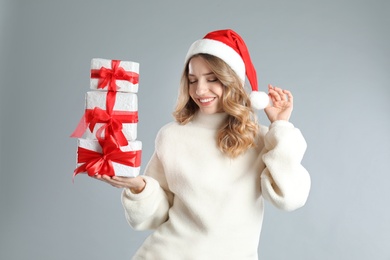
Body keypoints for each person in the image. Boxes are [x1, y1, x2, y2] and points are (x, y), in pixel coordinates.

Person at [94, 29, 311, 260]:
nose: (199, 90)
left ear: (232, 81)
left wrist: (281, 126)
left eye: (212, 79)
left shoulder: (260, 139)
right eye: (192, 80)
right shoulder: (171, 136)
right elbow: (154, 217)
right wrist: (139, 187)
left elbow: (289, 198)